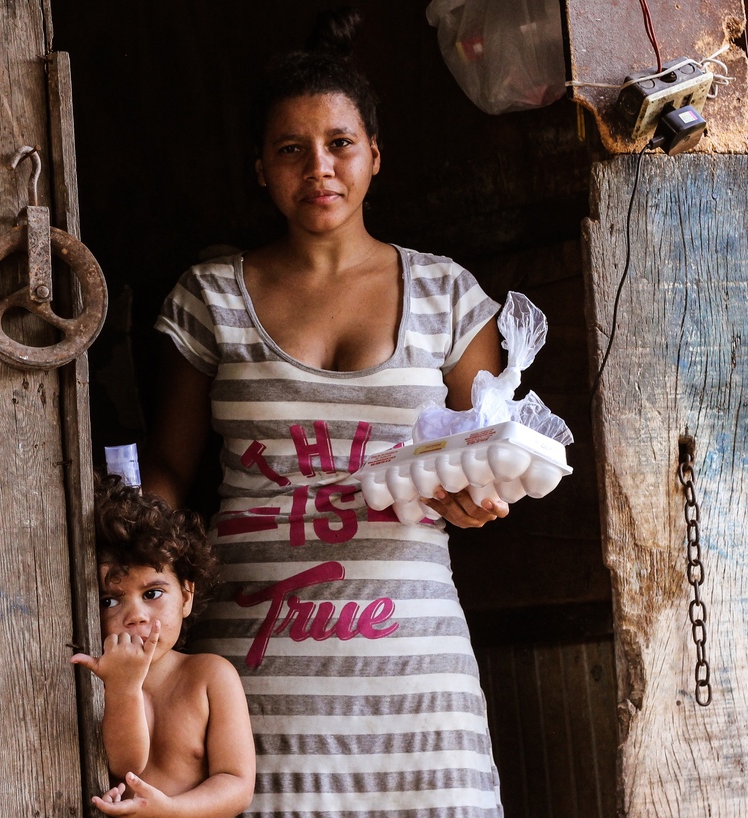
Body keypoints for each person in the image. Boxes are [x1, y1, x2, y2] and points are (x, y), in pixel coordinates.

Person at [142, 8, 508, 816]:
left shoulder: (449, 297)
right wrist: (145, 578)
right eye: (290, 150)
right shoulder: (210, 299)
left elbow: (487, 452)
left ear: (374, 154)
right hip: (255, 677)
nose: (320, 168)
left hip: (415, 679)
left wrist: (480, 499)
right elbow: (167, 469)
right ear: (260, 169)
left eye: (339, 143)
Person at [71, 475, 256, 818]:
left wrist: (170, 810)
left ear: (187, 596)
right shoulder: (94, 679)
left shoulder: (210, 676)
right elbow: (128, 764)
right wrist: (123, 688)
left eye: (152, 594)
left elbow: (237, 784)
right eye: (110, 600)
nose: (135, 616)